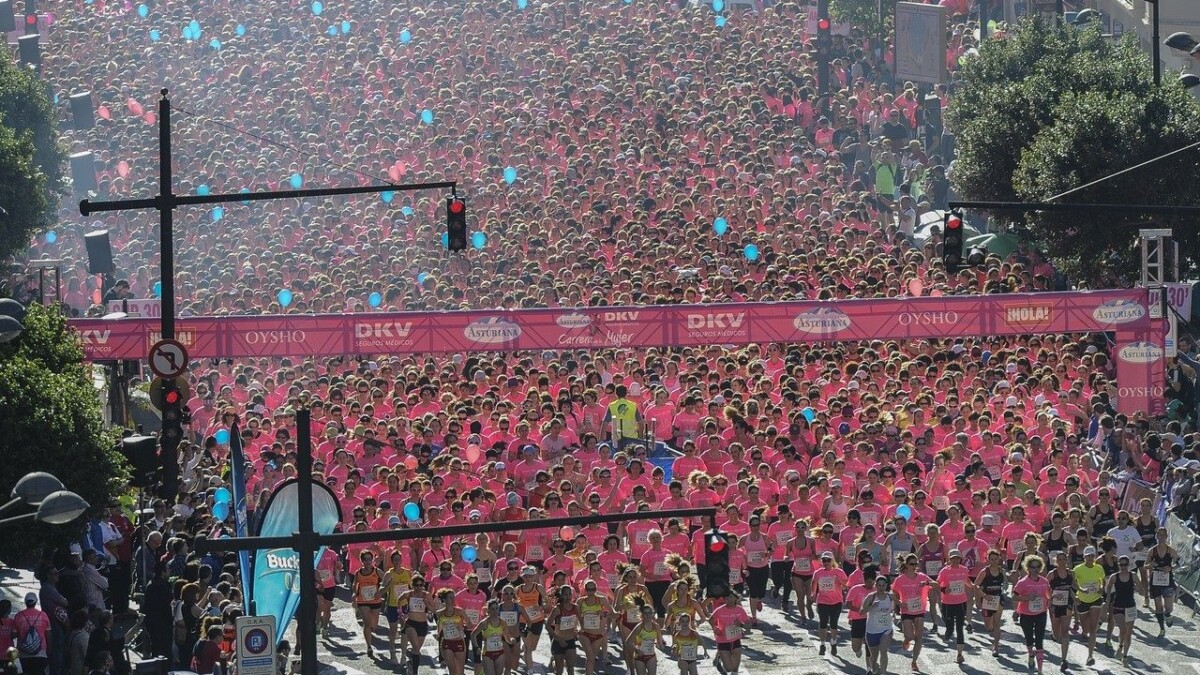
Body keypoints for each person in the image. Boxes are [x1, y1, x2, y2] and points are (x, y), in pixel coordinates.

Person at [893, 553, 937, 671]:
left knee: (919, 637)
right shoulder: (900, 579)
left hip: (919, 610)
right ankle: (906, 640)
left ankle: (914, 661)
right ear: (906, 565)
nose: (914, 566)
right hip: (906, 610)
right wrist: (899, 602)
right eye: (911, 564)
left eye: (916, 564)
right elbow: (893, 593)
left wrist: (927, 583)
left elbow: (936, 584)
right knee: (910, 636)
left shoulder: (922, 576)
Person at [1013, 555, 1051, 673]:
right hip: (1026, 614)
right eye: (1033, 567)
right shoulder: (1023, 582)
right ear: (1028, 568)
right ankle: (1030, 655)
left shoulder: (1044, 581)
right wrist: (1026, 597)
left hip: (1041, 614)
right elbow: (1014, 597)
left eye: (1038, 566)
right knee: (1029, 638)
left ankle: (1040, 670)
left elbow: (1048, 595)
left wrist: (1052, 600)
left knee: (1039, 640)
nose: (1035, 569)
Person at [1105, 555, 1144, 667]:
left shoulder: (1133, 575)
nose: (1123, 567)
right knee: (1123, 629)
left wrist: (1138, 589)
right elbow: (1108, 587)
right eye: (1121, 565)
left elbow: (1141, 589)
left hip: (1130, 606)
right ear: (1118, 565)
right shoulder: (1114, 576)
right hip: (1118, 606)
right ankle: (1120, 646)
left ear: (1128, 565)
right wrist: (1108, 599)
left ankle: (1124, 655)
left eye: (1125, 565)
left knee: (1128, 633)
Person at [935, 549, 972, 664]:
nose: (955, 560)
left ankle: (959, 654)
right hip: (948, 603)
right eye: (953, 558)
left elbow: (967, 582)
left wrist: (975, 587)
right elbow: (937, 584)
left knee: (960, 627)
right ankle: (948, 630)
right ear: (949, 559)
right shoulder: (945, 571)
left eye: (957, 558)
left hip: (961, 602)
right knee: (950, 626)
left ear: (960, 559)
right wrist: (944, 589)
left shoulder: (964, 570)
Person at [1072, 546, 1106, 667]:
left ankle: (1090, 656)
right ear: (1084, 557)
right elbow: (1072, 582)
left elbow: (1103, 580)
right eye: (1088, 556)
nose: (1091, 558)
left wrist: (1101, 589)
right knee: (1086, 629)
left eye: (1092, 556)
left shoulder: (1099, 568)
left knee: (1093, 629)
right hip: (1082, 600)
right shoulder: (1078, 569)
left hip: (1096, 600)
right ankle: (1084, 632)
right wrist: (1080, 589)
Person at [811, 551, 848, 656]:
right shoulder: (818, 573)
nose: (826, 562)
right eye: (824, 560)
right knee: (823, 623)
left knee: (833, 623)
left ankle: (833, 641)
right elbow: (814, 584)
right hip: (822, 601)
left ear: (832, 561)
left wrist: (840, 580)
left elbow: (846, 585)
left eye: (828, 560)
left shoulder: (839, 572)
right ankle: (822, 644)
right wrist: (813, 594)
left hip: (836, 601)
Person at [861, 575, 897, 675]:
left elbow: (900, 604)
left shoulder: (890, 596)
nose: (881, 587)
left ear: (886, 586)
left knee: (883, 650)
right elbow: (861, 612)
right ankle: (874, 668)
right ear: (875, 586)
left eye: (883, 585)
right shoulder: (871, 597)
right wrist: (871, 607)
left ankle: (883, 672)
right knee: (874, 657)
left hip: (886, 629)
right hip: (872, 631)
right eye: (879, 585)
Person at [708, 592, 751, 675]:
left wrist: (741, 625)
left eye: (731, 597)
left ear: (736, 598)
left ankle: (735, 672)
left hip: (735, 639)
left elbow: (748, 625)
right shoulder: (720, 610)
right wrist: (715, 628)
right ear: (724, 599)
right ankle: (719, 657)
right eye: (727, 598)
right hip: (722, 640)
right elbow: (710, 619)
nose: (729, 600)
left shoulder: (740, 610)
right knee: (728, 668)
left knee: (735, 664)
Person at [1146, 526, 1178, 637]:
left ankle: (1168, 614)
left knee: (1168, 608)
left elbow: (1177, 562)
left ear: (1166, 537)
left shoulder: (1171, 550)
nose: (1161, 537)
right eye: (1159, 535)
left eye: (1163, 535)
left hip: (1167, 580)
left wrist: (1171, 568)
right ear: (1157, 536)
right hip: (1155, 581)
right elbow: (1145, 566)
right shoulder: (1152, 551)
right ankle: (1162, 629)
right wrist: (1151, 564)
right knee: (1158, 606)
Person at [353, 550, 384, 659]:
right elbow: (355, 584)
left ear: (372, 560)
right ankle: (369, 646)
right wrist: (354, 594)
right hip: (362, 600)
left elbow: (386, 581)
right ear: (361, 561)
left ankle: (370, 634)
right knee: (367, 623)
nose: (367, 561)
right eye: (365, 559)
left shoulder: (377, 571)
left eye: (369, 559)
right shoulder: (358, 572)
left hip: (375, 600)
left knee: (373, 626)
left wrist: (380, 591)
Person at [575, 580, 610, 675]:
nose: (591, 592)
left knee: (591, 659)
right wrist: (576, 627)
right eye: (588, 589)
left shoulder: (602, 599)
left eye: (593, 589)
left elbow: (612, 613)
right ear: (585, 590)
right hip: (584, 633)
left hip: (598, 634)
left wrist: (604, 613)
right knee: (590, 657)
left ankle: (588, 673)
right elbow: (575, 616)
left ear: (596, 589)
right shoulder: (580, 601)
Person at [1047, 552, 1074, 672]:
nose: (1062, 562)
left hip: (1067, 604)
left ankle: (1064, 659)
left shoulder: (1071, 573)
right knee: (1057, 633)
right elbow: (1045, 588)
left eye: (1064, 559)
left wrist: (1081, 592)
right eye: (1060, 560)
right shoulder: (1052, 574)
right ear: (1056, 561)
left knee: (1065, 631)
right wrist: (1050, 597)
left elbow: (1073, 586)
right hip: (1054, 606)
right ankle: (1053, 635)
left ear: (1067, 560)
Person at [472, 601, 517, 675]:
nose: (495, 611)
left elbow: (507, 638)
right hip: (487, 654)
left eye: (496, 608)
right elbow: (473, 635)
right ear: (488, 610)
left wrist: (512, 641)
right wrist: (476, 647)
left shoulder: (502, 622)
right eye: (492, 609)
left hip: (500, 653)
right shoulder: (484, 623)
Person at [545, 585, 579, 675]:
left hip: (570, 641)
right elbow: (547, 626)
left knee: (571, 668)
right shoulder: (557, 609)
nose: (568, 597)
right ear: (561, 596)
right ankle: (553, 662)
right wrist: (558, 639)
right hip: (558, 642)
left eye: (570, 594)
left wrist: (578, 630)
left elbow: (582, 622)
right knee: (559, 671)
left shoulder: (576, 608)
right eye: (565, 594)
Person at [14, 593, 50, 675]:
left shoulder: (19, 616)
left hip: (24, 653)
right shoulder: (43, 615)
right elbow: (48, 633)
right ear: (36, 602)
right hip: (41, 652)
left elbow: (13, 634)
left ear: (25, 602)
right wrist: (49, 649)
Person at [434, 589, 468, 675]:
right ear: (444, 600)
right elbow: (440, 625)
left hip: (459, 641)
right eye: (450, 598)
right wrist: (438, 634)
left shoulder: (460, 611)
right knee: (452, 671)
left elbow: (470, 624)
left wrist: (462, 627)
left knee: (460, 672)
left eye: (454, 597)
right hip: (447, 643)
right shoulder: (439, 613)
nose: (453, 600)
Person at [625, 605, 665, 675]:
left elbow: (659, 642)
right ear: (642, 615)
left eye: (650, 613)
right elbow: (628, 641)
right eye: (645, 613)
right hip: (639, 657)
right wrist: (636, 650)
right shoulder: (639, 627)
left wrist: (661, 646)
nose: (648, 615)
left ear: (653, 614)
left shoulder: (656, 626)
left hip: (651, 656)